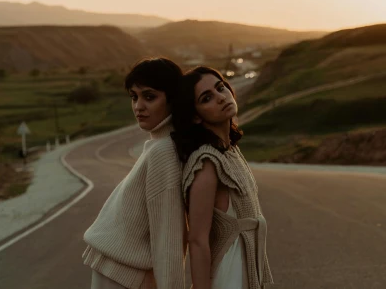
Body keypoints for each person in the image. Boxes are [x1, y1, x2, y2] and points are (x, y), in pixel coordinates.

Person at [83, 57, 186, 289]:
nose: (138, 106)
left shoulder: (164, 151)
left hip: (125, 277)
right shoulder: (158, 144)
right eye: (134, 96)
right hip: (117, 270)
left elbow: (168, 237)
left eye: (149, 97)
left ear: (173, 100)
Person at [172, 66, 273, 289]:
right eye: (207, 98)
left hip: (247, 270)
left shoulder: (230, 151)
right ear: (196, 116)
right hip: (229, 275)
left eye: (221, 88)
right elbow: (197, 239)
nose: (220, 98)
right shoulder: (207, 162)